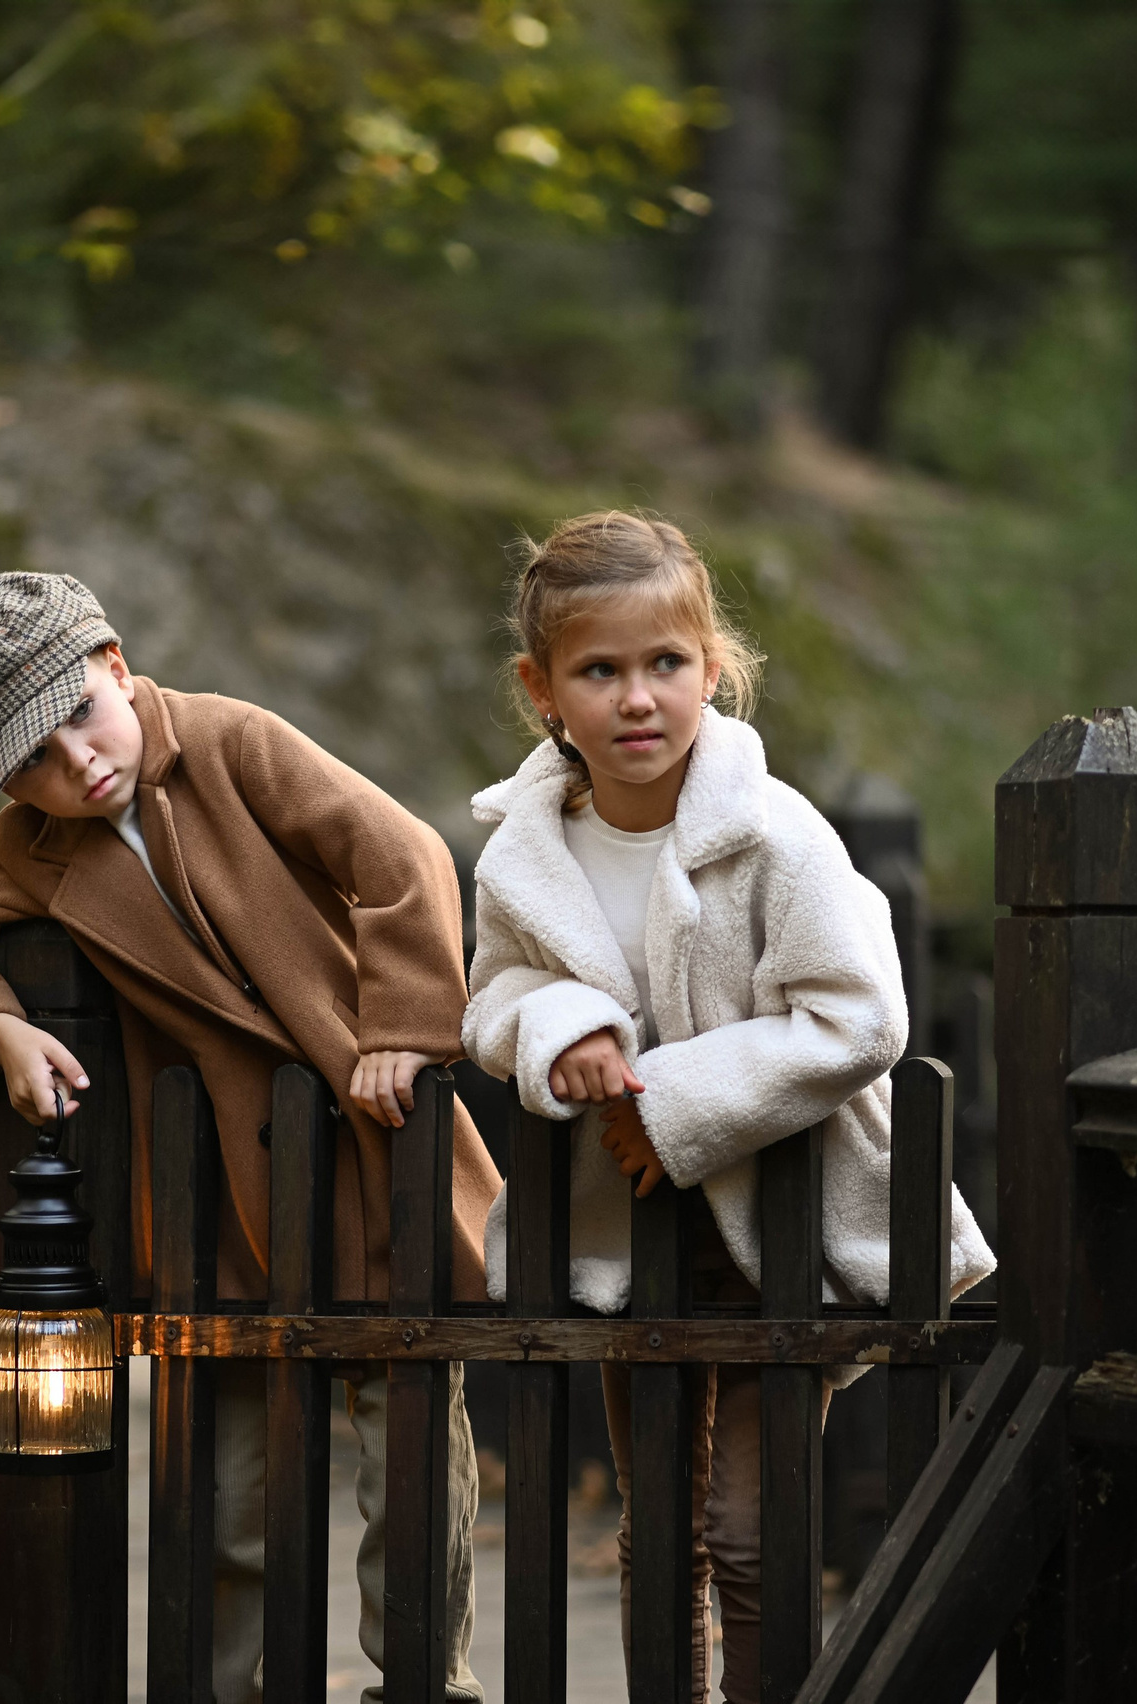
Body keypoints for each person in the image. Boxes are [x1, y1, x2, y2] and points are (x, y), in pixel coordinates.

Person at [0, 571, 492, 1704]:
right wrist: (2, 1030)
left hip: (364, 1151)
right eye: (31, 763)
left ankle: (422, 1683)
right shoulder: (34, 852)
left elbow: (397, 854)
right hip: (220, 1205)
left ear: (113, 665)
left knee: (407, 1456)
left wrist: (403, 1029)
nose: (76, 764)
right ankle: (227, 1686)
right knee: (228, 1494)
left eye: (78, 715)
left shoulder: (229, 744)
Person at [461, 513, 996, 1703]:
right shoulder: (523, 856)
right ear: (541, 688)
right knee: (660, 1533)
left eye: (665, 665)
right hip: (623, 1238)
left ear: (712, 667)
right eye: (599, 671)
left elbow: (861, 1017)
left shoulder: (776, 835)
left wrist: (669, 1100)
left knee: (753, 1536)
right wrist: (563, 1028)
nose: (636, 699)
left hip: (778, 1229)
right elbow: (492, 998)